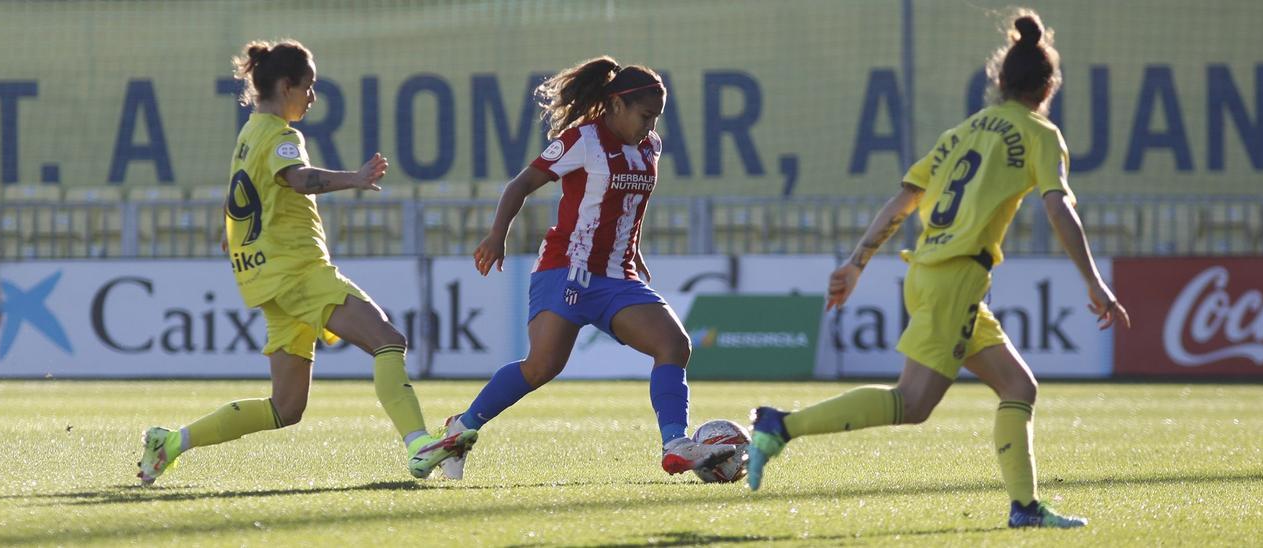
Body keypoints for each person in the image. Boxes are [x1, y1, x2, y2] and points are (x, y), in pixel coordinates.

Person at [746, 11, 1130, 529]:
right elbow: (1059, 208)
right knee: (912, 403)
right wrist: (1094, 280)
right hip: (955, 278)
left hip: (936, 274)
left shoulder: (961, 133)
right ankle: (780, 426)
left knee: (1019, 387)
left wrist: (858, 261)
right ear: (1048, 85)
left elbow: (902, 201)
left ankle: (1025, 508)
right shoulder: (1040, 133)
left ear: (999, 80)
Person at [136, 39, 474, 485]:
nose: (312, 97)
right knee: (388, 340)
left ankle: (170, 442)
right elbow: (296, 179)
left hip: (269, 280)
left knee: (286, 408)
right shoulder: (280, 135)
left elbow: (244, 196)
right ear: (285, 85)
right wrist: (353, 178)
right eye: (309, 86)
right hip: (298, 272)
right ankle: (417, 447)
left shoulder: (248, 135)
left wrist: (234, 236)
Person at [435, 55, 736, 480]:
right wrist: (496, 235)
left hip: (616, 275)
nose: (650, 127)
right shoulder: (583, 140)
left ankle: (675, 444)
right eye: (644, 116)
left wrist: (632, 248)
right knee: (542, 366)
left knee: (674, 345)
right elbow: (520, 184)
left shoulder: (650, 146)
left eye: (656, 119)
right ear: (616, 104)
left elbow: (631, 203)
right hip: (565, 269)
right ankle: (460, 429)